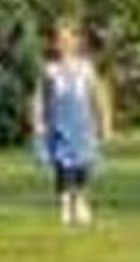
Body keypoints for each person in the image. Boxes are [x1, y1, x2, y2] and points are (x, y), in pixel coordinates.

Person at [29, 21, 114, 227]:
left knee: (83, 165)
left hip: (83, 127)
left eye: (68, 39)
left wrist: (105, 123)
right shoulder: (49, 70)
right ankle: (65, 203)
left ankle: (81, 200)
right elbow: (39, 98)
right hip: (58, 125)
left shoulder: (86, 68)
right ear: (53, 44)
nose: (63, 44)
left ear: (76, 42)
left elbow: (98, 96)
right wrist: (37, 123)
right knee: (63, 167)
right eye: (59, 40)